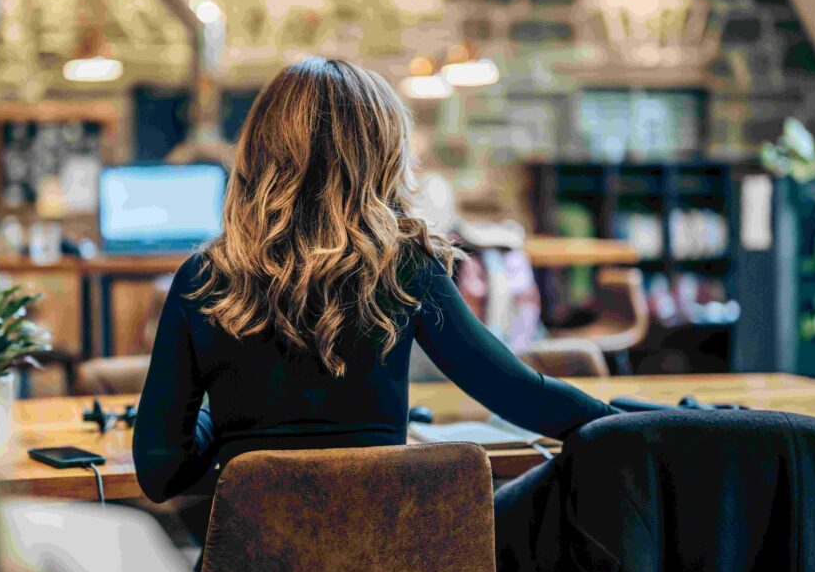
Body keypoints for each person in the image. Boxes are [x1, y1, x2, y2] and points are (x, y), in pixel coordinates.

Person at [131, 55, 618, 530]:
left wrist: (223, 423)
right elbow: (520, 395)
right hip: (392, 568)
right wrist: (633, 422)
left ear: (257, 152)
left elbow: (159, 472)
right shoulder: (405, 268)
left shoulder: (202, 276)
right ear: (380, 158)